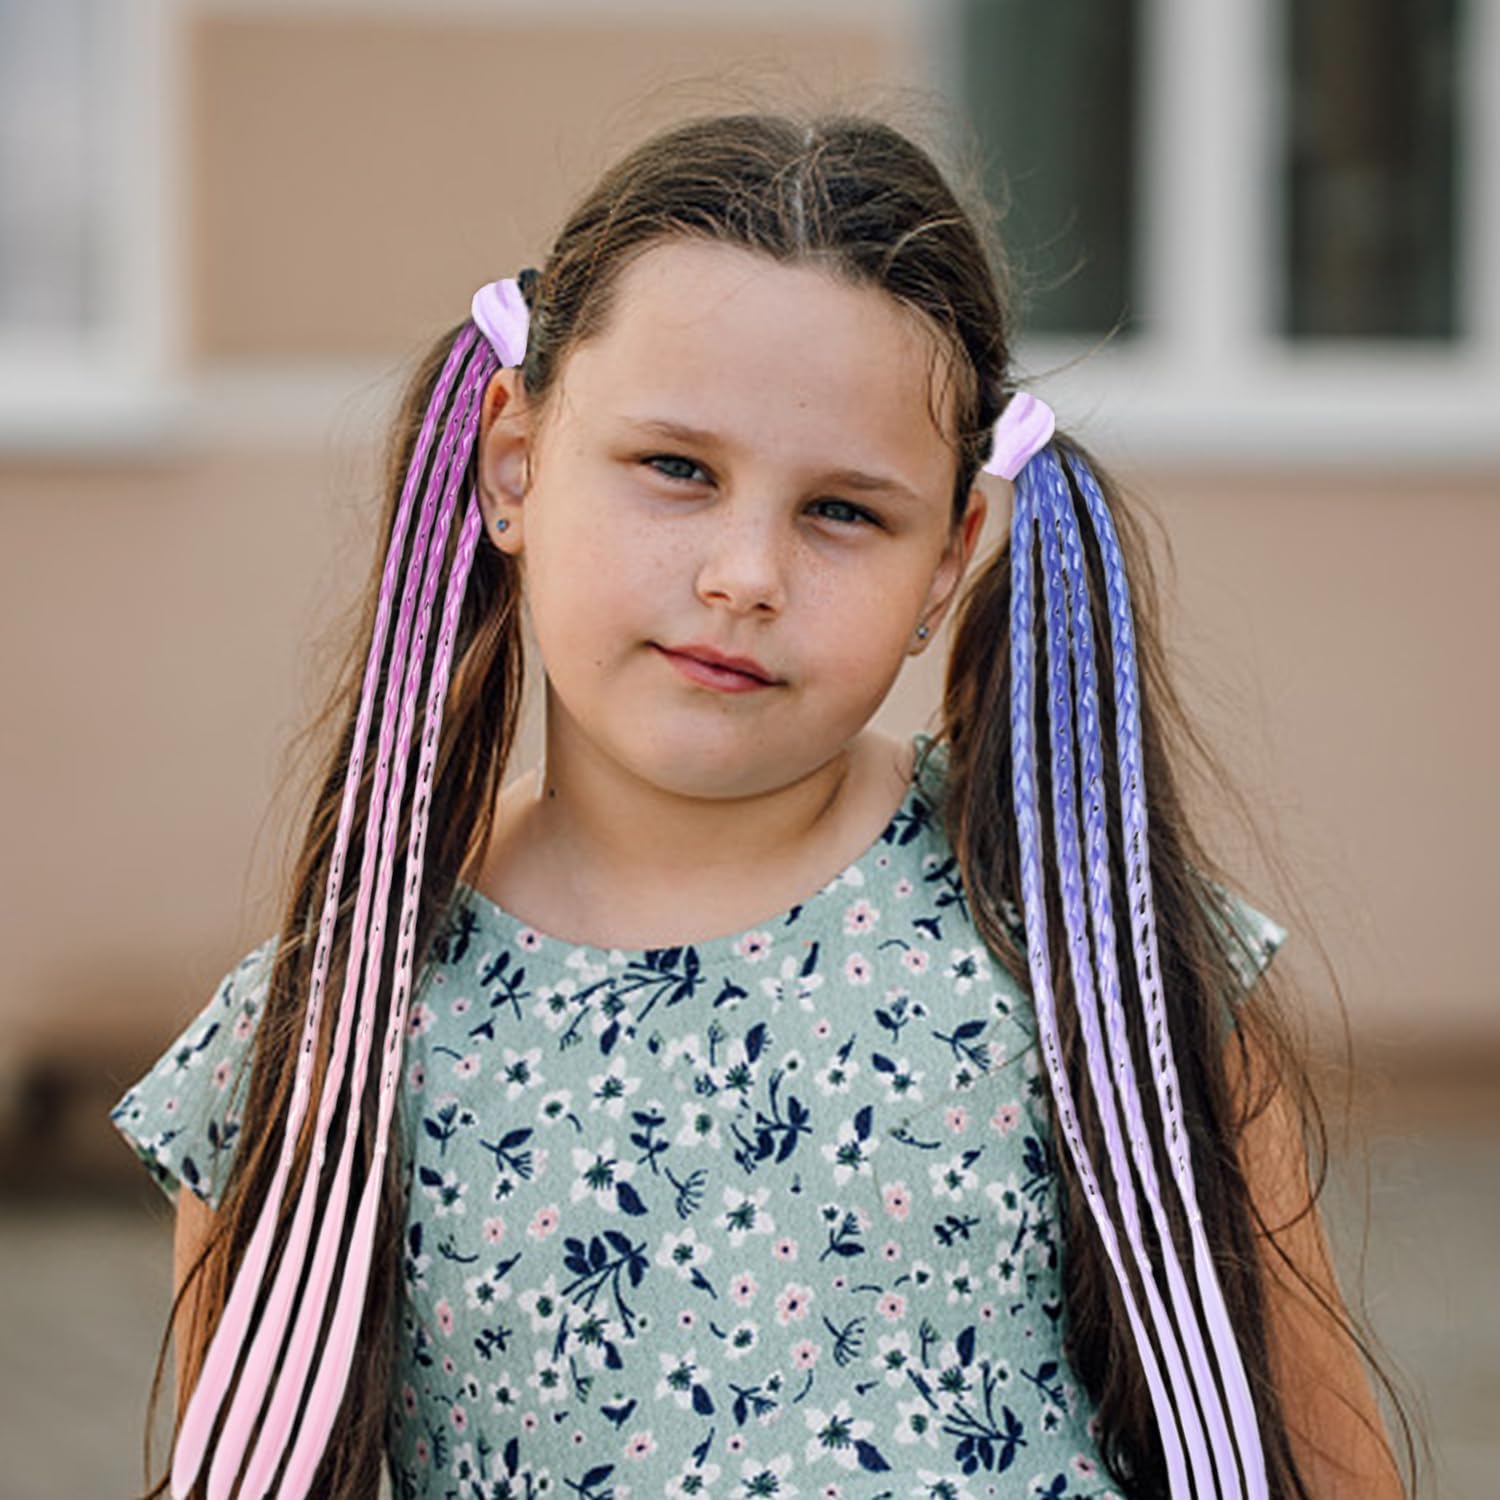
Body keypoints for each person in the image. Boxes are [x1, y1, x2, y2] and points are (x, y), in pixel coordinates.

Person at [110, 109, 1411, 1500]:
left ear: (947, 559)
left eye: (844, 511)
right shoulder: (325, 1035)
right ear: (512, 463)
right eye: (677, 469)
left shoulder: (1093, 945)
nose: (745, 574)